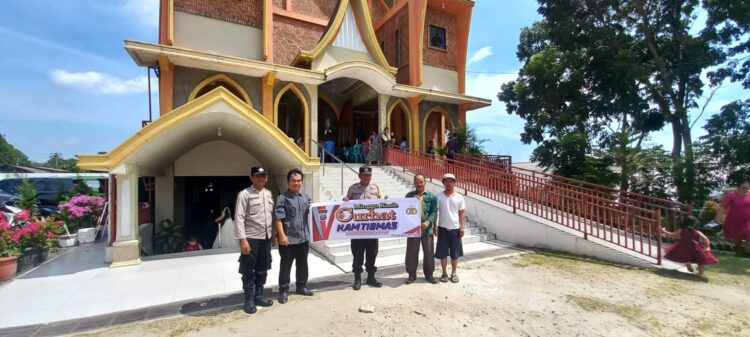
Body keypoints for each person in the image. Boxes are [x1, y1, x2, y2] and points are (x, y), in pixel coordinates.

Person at [234, 166, 275, 314]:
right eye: (257, 176)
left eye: (263, 175)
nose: (261, 178)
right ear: (251, 178)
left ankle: (259, 295)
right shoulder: (244, 194)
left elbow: (270, 216)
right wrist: (242, 240)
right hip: (251, 238)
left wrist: (273, 234)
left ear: (267, 177)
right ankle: (249, 299)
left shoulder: (269, 194)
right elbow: (239, 218)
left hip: (265, 238)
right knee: (248, 271)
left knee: (263, 269)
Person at [274, 168, 314, 304]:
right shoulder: (282, 198)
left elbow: (313, 211)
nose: (297, 183)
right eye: (294, 181)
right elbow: (278, 219)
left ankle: (301, 286)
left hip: (303, 238)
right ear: (288, 182)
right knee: (285, 266)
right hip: (288, 240)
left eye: (299, 181)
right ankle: (284, 291)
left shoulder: (305, 197)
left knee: (303, 264)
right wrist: (282, 235)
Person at [343, 166, 383, 290]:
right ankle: (357, 279)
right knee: (357, 253)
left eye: (368, 175)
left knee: (372, 253)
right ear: (359, 176)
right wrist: (345, 200)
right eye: (364, 175)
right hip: (357, 229)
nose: (366, 177)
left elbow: (381, 204)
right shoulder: (353, 188)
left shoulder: (375, 189)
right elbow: (346, 204)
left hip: (372, 229)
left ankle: (371, 277)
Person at [404, 174, 438, 284]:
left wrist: (428, 222)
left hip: (426, 229)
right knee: (411, 252)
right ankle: (411, 274)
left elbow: (434, 212)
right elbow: (404, 210)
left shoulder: (432, 197)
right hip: (413, 229)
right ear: (414, 183)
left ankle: (429, 275)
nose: (419, 184)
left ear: (425, 183)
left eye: (421, 182)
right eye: (417, 182)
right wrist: (413, 202)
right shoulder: (409, 196)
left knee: (428, 252)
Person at [435, 173, 465, 283]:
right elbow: (436, 212)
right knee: (443, 253)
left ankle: (454, 273)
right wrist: (435, 225)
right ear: (443, 183)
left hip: (455, 229)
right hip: (442, 228)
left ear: (454, 182)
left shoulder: (459, 197)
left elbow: (461, 213)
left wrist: (462, 227)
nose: (448, 183)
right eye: (446, 181)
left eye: (450, 181)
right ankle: (444, 273)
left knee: (454, 253)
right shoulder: (438, 196)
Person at [717, 177, 750, 256]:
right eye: (744, 188)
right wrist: (718, 216)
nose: (746, 189)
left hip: (748, 220)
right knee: (737, 237)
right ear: (738, 187)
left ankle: (747, 250)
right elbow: (723, 206)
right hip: (734, 220)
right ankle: (738, 252)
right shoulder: (732, 195)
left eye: (747, 188)